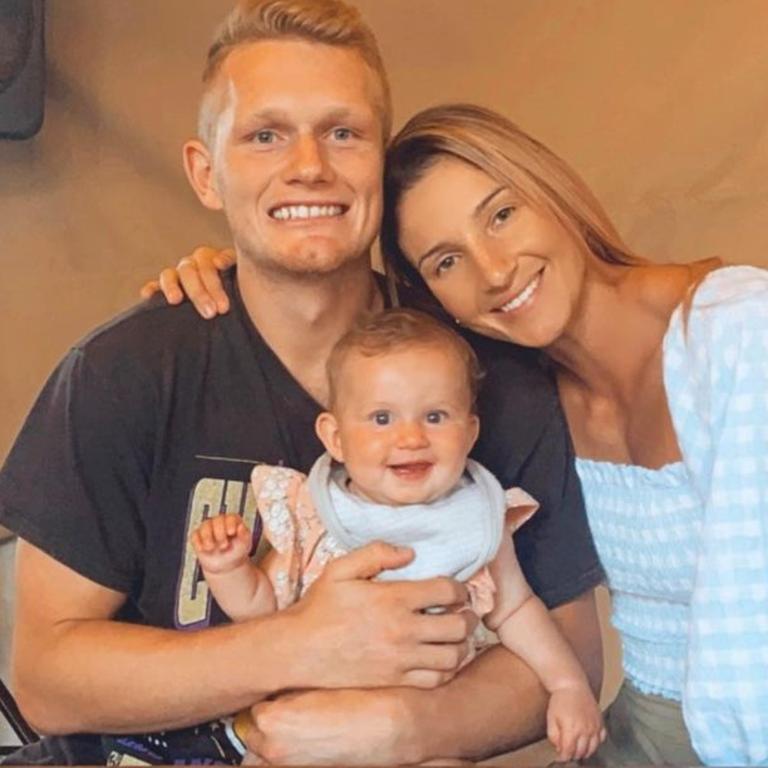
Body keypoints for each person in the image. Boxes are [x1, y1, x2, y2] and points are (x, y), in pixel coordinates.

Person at [0, 2, 604, 765]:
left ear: (380, 162)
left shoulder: (487, 379)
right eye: (265, 135)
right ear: (205, 172)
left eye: (343, 132)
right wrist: (302, 646)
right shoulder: (124, 374)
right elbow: (46, 678)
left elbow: (570, 659)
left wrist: (405, 728)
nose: (310, 164)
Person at [156, 103, 768, 766]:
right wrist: (239, 270)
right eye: (447, 261)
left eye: (502, 215)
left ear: (550, 188)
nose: (495, 270)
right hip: (638, 741)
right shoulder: (522, 391)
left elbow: (746, 655)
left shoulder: (738, 333)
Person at [189, 309, 605, 764]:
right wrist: (228, 568)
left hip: (421, 738)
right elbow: (262, 610)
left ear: (469, 433)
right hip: (311, 730)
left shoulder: (475, 520)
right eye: (382, 418)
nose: (411, 437)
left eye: (435, 416)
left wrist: (566, 685)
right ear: (335, 438)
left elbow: (517, 610)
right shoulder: (312, 512)